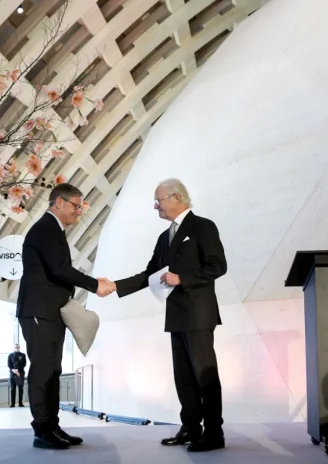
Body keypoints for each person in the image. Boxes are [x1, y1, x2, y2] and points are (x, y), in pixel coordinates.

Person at [101, 178, 227, 452]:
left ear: (177, 198)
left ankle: (214, 433)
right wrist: (115, 286)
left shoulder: (203, 226)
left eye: (159, 200)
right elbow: (150, 274)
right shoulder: (164, 237)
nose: (155, 205)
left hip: (198, 313)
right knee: (183, 376)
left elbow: (218, 266)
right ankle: (191, 428)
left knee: (204, 375)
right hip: (177, 315)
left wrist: (182, 278)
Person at [16, 183, 113, 450]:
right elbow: (60, 269)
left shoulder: (53, 230)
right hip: (38, 311)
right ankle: (41, 430)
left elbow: (59, 269)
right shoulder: (46, 228)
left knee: (53, 371)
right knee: (43, 371)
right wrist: (94, 284)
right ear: (58, 202)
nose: (79, 211)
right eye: (76, 206)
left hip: (50, 311)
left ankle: (52, 425)